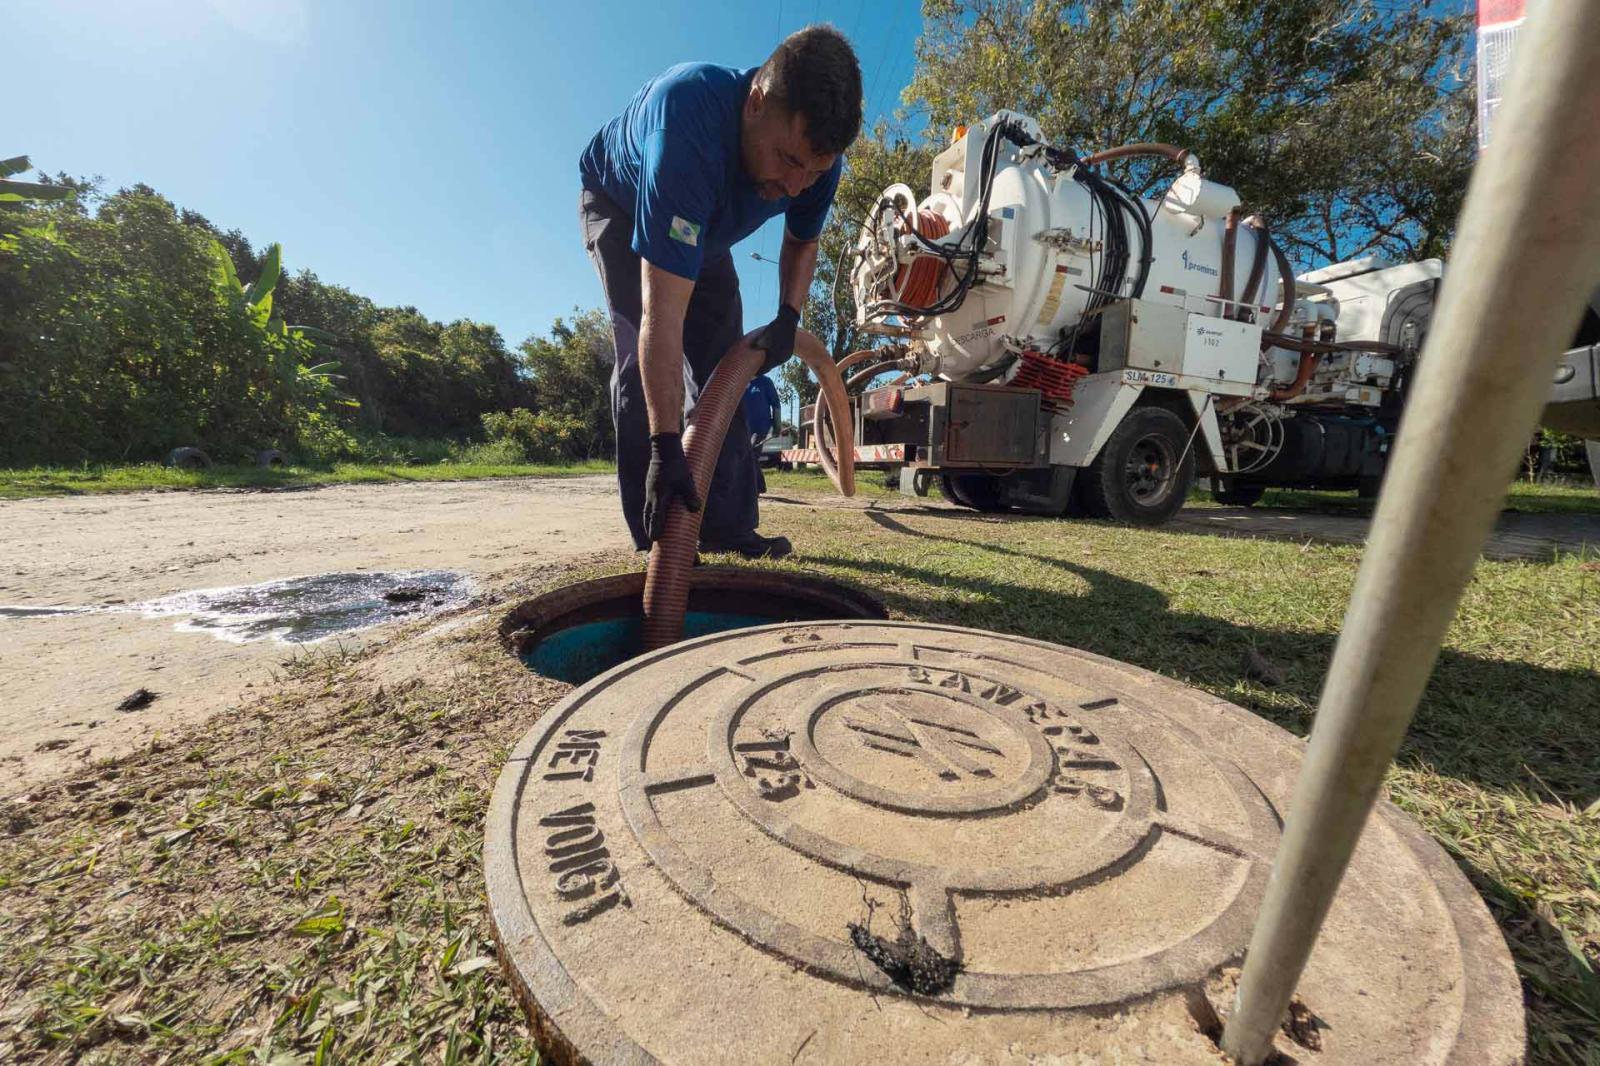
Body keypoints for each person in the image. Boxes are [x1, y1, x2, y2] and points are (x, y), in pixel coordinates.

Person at [577, 25, 862, 559]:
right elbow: (662, 315)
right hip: (620, 203)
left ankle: (730, 529)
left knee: (727, 363)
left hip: (704, 228)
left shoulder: (815, 161)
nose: (797, 185)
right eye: (788, 161)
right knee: (639, 352)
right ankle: (659, 539)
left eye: (814, 170)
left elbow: (803, 240)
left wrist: (786, 315)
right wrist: (666, 447)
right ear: (755, 103)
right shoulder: (688, 120)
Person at [743, 372, 784, 493]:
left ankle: (755, 488)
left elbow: (776, 404)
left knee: (752, 453)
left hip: (761, 427)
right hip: (743, 428)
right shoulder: (741, 382)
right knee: (748, 456)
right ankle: (760, 486)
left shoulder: (765, 382)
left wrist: (777, 425)